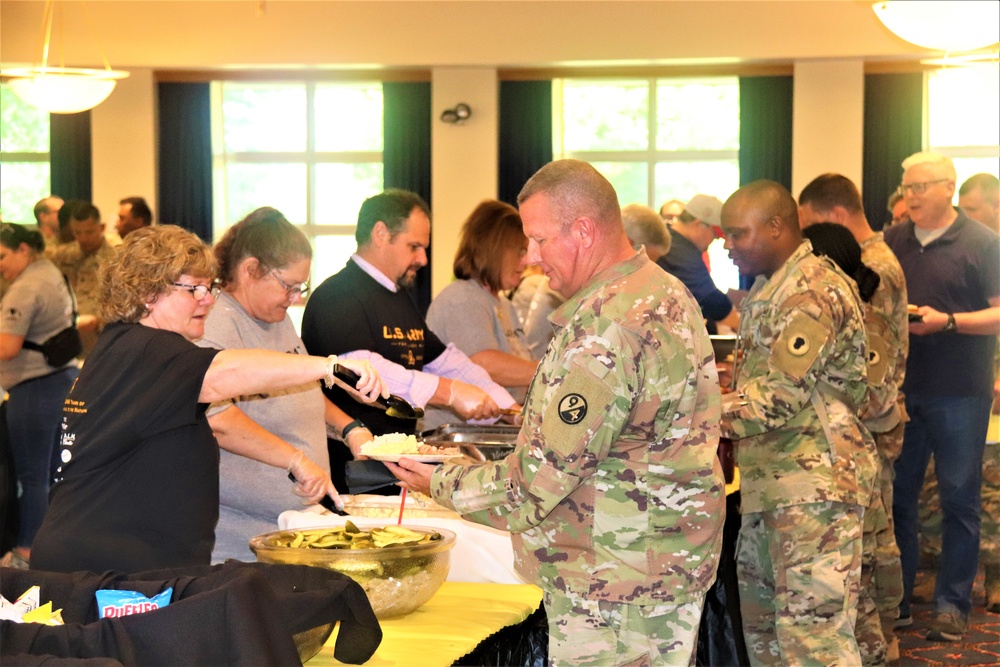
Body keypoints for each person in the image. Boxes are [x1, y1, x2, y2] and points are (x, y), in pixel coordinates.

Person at [388, 159, 725, 666]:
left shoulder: (606, 327)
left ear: (584, 231)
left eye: (540, 240)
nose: (530, 257)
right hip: (649, 568)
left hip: (616, 584)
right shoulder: (658, 291)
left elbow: (536, 484)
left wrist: (437, 481)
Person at [29, 225, 386, 574]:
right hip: (105, 569)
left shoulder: (131, 347)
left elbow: (221, 416)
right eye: (193, 289)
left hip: (113, 561)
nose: (208, 299)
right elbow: (223, 374)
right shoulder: (148, 350)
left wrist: (294, 460)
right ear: (146, 294)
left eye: (208, 287)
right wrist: (329, 367)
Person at [719, 180, 876, 666]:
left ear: (776, 227)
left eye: (737, 234)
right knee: (767, 635)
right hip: (775, 483)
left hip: (814, 487)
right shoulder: (771, 287)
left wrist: (695, 413)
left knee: (814, 641)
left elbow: (778, 398)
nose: (727, 245)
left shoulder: (811, 289)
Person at [301, 189, 513, 489]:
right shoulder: (336, 297)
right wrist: (450, 392)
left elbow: (445, 360)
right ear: (380, 234)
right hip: (351, 467)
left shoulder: (399, 296)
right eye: (414, 246)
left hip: (397, 466)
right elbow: (366, 374)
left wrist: (507, 407)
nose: (423, 259)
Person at [198, 207, 377, 562]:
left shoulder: (276, 318)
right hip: (242, 539)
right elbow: (217, 420)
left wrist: (349, 427)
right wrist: (295, 460)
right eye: (288, 286)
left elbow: (300, 392)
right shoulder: (216, 324)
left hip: (292, 526)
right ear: (250, 270)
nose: (295, 298)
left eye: (301, 287)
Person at [884, 151, 1000, 641]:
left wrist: (947, 322)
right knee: (899, 501)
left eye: (920, 187)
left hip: (962, 391)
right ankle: (900, 601)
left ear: (948, 188)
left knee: (959, 499)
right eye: (906, 187)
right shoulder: (890, 242)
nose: (910, 196)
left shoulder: (984, 243)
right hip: (903, 391)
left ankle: (952, 605)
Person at [798, 173, 909, 661]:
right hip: (859, 426)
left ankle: (880, 642)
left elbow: (872, 364)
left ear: (834, 216)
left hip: (867, 425)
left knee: (871, 552)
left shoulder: (872, 268)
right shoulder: (866, 262)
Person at [0, 223, 79, 569]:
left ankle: (27, 552)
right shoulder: (50, 272)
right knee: (48, 475)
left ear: (24, 250)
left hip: (34, 389)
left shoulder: (26, 286)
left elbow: (7, 346)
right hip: (59, 381)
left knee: (31, 477)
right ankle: (47, 548)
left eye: (2, 256)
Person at [426, 199, 537, 407]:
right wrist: (550, 372)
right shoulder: (462, 299)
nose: (527, 262)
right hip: (460, 435)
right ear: (495, 249)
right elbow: (484, 364)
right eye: (520, 252)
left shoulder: (503, 302)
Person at [657, 194, 738, 334]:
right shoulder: (680, 251)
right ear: (698, 224)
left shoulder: (672, 240)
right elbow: (711, 299)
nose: (712, 242)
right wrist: (741, 327)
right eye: (714, 235)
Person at [48, 203, 117, 356]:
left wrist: (99, 321)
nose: (83, 238)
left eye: (89, 232)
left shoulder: (117, 257)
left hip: (102, 336)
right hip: (69, 336)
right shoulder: (63, 255)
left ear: (102, 227)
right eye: (78, 233)